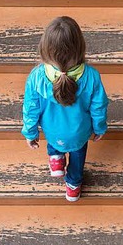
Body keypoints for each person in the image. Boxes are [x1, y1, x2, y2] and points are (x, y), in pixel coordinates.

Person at [21, 16, 108, 202]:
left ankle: (56, 159)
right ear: (80, 46)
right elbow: (99, 107)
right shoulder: (91, 76)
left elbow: (30, 108)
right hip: (79, 133)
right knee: (77, 157)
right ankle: (73, 187)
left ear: (44, 48)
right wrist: (99, 128)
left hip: (51, 131)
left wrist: (30, 132)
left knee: (54, 138)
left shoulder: (36, 77)